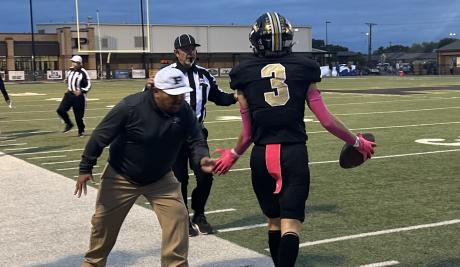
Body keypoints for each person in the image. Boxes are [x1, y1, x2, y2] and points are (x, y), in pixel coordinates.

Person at [212, 12, 376, 267]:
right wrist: (357, 142)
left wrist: (233, 155)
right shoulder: (305, 67)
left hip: (261, 155)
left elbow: (247, 133)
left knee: (274, 220)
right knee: (291, 224)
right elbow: (327, 120)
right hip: (293, 154)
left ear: (256, 40)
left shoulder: (242, 72)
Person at [75, 67, 215, 267]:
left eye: (181, 94)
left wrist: (202, 158)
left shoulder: (183, 110)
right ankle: (93, 263)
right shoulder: (131, 106)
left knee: (178, 218)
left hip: (161, 178)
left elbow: (196, 139)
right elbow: (100, 136)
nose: (178, 99)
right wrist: (85, 167)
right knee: (103, 226)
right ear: (156, 91)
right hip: (121, 176)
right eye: (172, 95)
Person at [169, 34, 237, 236]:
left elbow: (219, 97)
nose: (190, 52)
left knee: (205, 174)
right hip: (173, 135)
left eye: (193, 48)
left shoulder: (204, 75)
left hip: (197, 133)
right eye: (186, 49)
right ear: (176, 52)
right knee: (179, 179)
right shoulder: (166, 74)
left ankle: (199, 214)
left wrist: (236, 97)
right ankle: (183, 219)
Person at [57, 55, 91, 137]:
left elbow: (89, 84)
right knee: (60, 110)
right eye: (72, 61)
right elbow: (69, 78)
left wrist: (81, 91)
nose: (72, 63)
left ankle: (81, 131)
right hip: (69, 94)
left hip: (78, 97)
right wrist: (66, 80)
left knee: (79, 116)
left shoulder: (83, 72)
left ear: (79, 63)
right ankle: (69, 124)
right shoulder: (71, 70)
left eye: (74, 62)